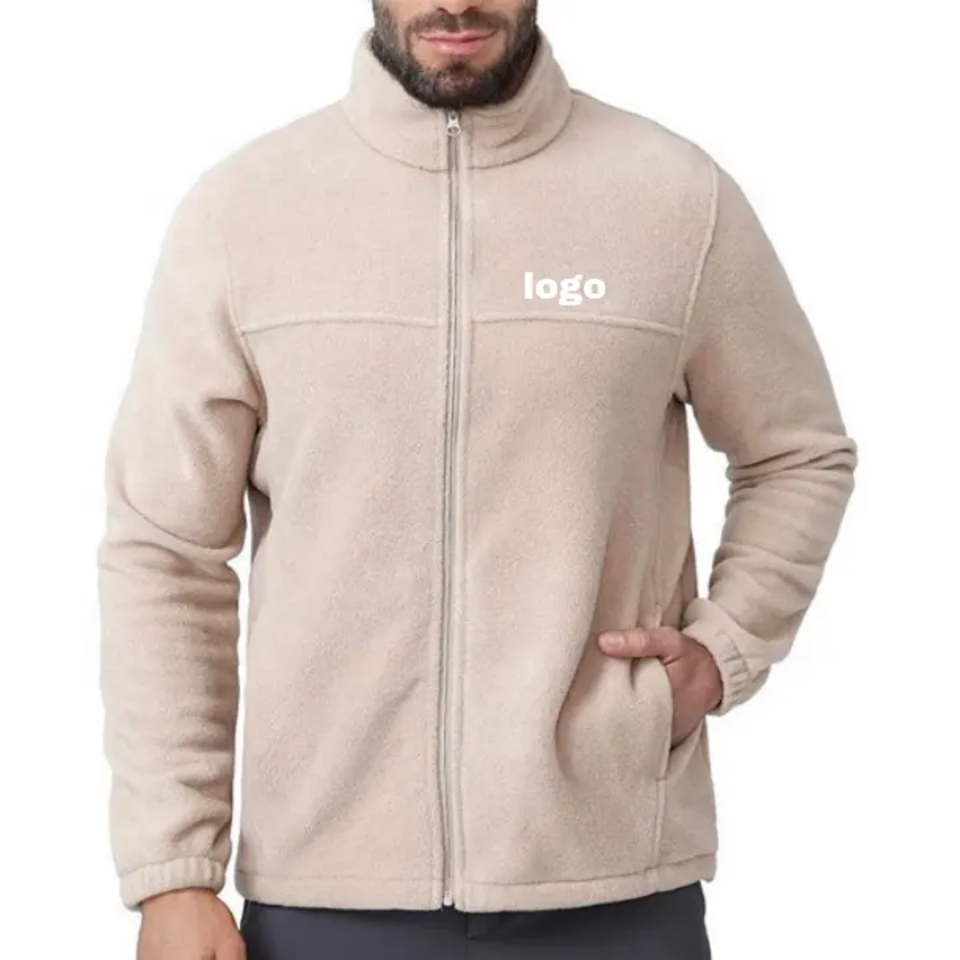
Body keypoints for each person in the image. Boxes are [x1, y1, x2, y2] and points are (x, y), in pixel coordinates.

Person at [97, 1, 859, 957]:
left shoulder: (673, 199)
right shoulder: (243, 213)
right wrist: (173, 872)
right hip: (325, 896)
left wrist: (725, 648)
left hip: (616, 889)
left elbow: (797, 450)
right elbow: (165, 551)